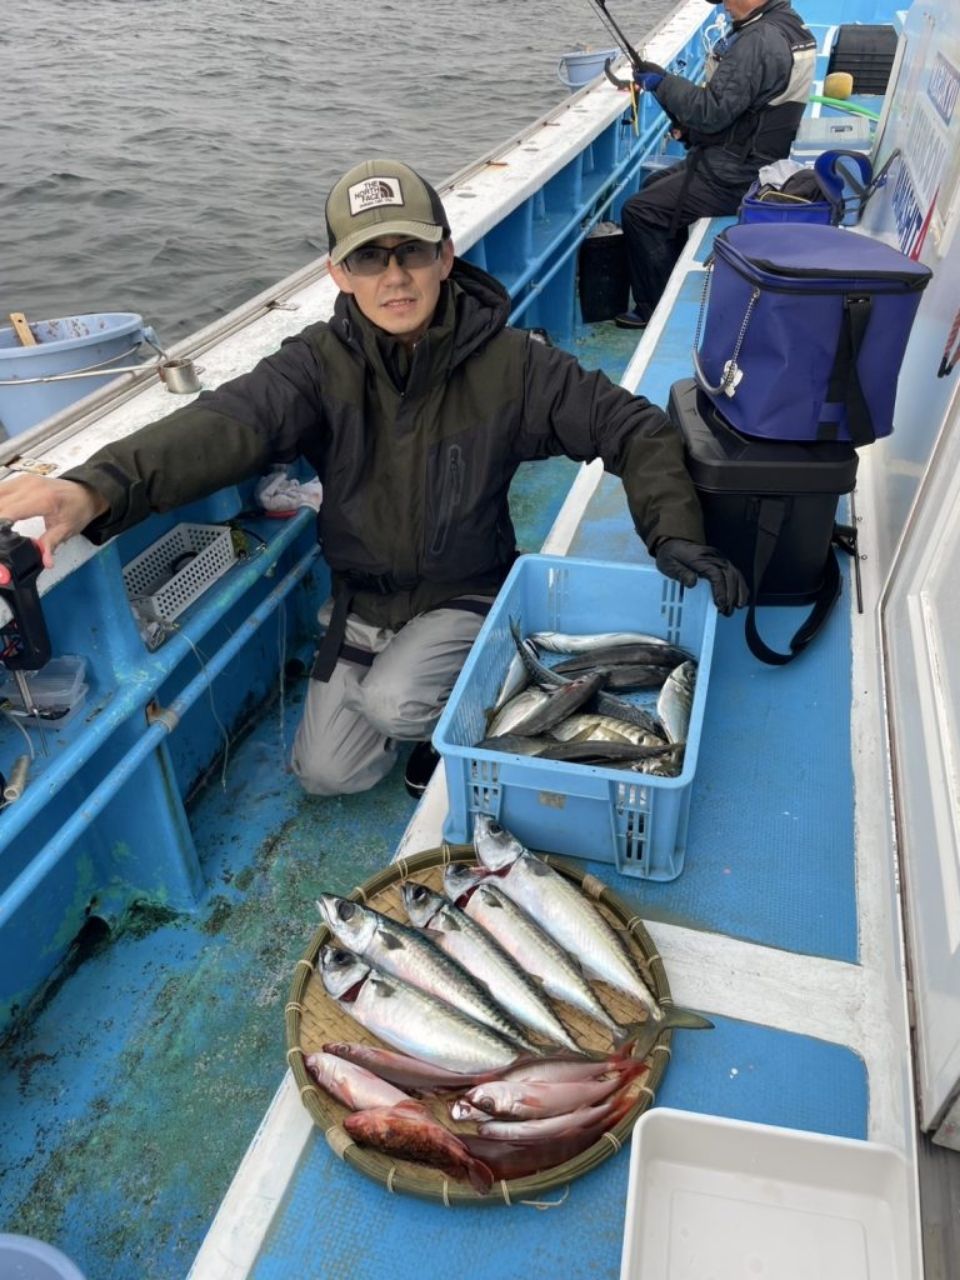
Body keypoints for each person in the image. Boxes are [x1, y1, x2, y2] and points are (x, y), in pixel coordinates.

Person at [0, 158, 747, 800]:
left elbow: (635, 427)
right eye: (369, 259)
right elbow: (226, 423)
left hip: (466, 588)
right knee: (325, 773)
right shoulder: (316, 365)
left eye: (412, 252)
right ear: (338, 272)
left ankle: (454, 704)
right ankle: (431, 696)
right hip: (361, 601)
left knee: (395, 704)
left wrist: (674, 533)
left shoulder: (514, 364)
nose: (395, 277)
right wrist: (95, 486)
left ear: (446, 256)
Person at [617, 0, 816, 328]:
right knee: (654, 187)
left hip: (737, 175)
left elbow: (711, 113)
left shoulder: (759, 40)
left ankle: (654, 310)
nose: (723, 6)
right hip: (750, 157)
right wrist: (689, 128)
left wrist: (663, 84)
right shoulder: (788, 21)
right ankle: (667, 279)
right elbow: (748, 111)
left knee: (639, 211)